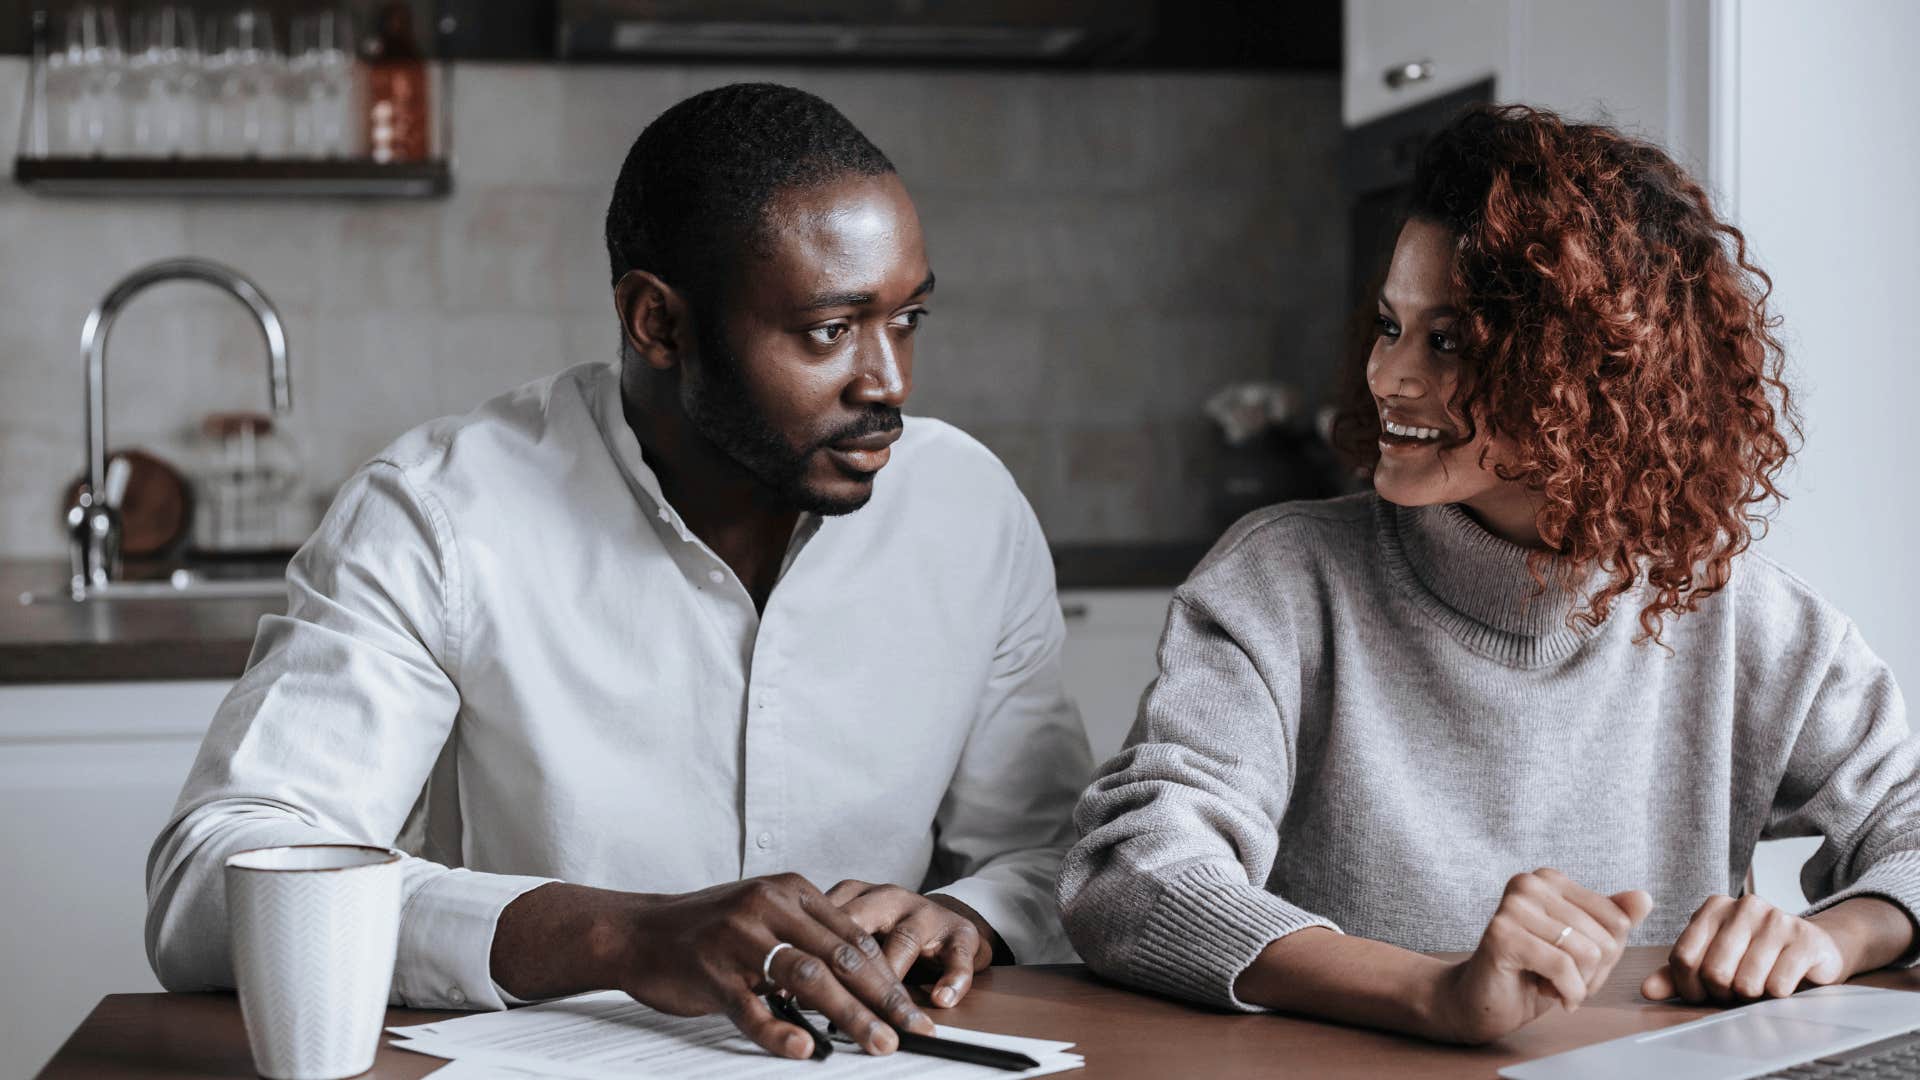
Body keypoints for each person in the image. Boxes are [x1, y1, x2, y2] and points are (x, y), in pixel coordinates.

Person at [146, 83, 1091, 1061]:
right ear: (656, 322)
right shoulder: (438, 512)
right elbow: (214, 888)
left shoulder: (967, 507)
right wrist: (626, 937)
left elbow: (1055, 855)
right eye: (830, 330)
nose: (887, 381)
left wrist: (968, 915)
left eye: (908, 319)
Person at [1056, 104, 1920, 1045]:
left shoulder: (1752, 622)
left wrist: (1833, 937)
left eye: (1452, 340)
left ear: (1594, 374)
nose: (1388, 376)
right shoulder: (1284, 582)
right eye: (1391, 325)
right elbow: (1134, 878)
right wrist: (1435, 994)